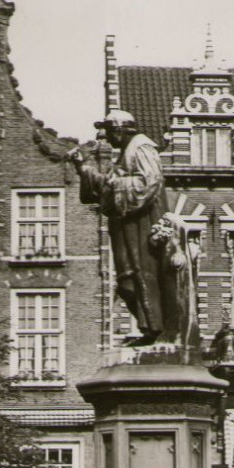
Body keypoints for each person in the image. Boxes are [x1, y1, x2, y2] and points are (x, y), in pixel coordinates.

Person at [73, 110, 169, 345]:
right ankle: (149, 330)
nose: (105, 138)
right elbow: (109, 186)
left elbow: (149, 182)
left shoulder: (142, 147)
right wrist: (83, 169)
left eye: (107, 131)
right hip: (127, 227)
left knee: (143, 276)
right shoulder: (126, 153)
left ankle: (156, 330)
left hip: (142, 228)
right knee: (127, 282)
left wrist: (113, 183)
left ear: (119, 129)